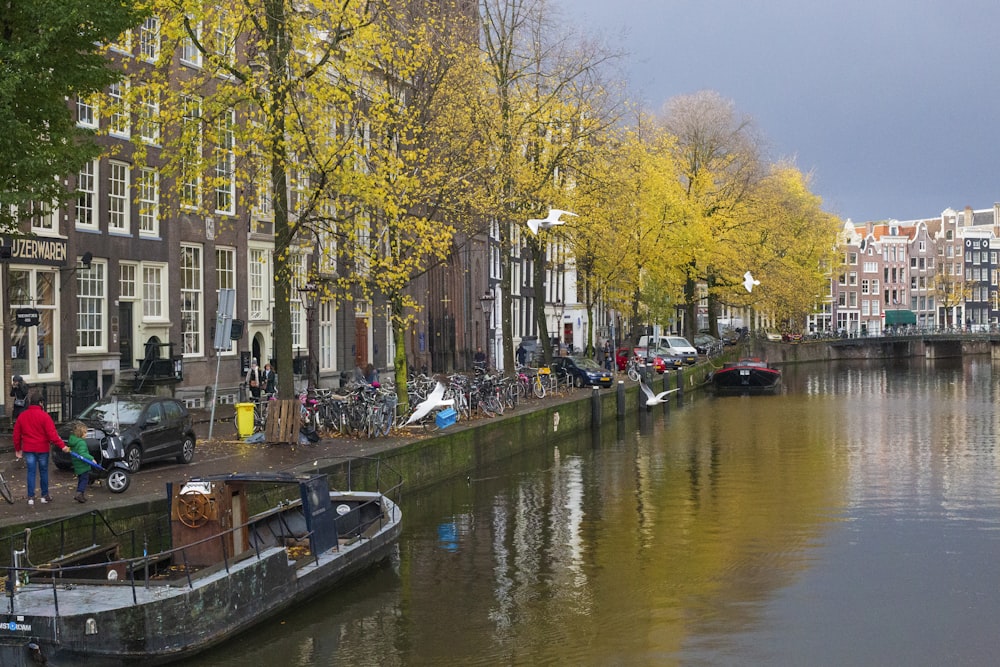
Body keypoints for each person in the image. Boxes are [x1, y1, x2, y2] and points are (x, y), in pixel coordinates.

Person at [13, 388, 70, 506]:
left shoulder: (22, 416)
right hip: (43, 449)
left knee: (31, 472)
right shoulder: (45, 417)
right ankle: (44, 496)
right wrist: (62, 446)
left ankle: (30, 497)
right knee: (43, 472)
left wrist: (18, 449)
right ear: (40, 403)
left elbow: (16, 434)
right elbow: (52, 434)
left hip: (29, 448)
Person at [66, 421, 94, 503]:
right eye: (85, 433)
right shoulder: (81, 443)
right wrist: (91, 458)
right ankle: (79, 493)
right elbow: (83, 453)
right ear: (80, 433)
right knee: (84, 480)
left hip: (77, 464)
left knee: (81, 479)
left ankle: (80, 494)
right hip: (83, 465)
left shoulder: (73, 441)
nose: (86, 434)